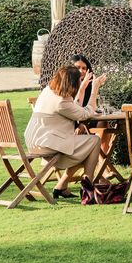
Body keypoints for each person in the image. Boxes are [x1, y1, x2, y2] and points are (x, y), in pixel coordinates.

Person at [24, 65, 107, 199]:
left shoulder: (48, 91)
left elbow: (74, 108)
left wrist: (83, 87)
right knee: (94, 141)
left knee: (85, 149)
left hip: (37, 142)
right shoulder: (61, 102)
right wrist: (94, 88)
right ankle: (88, 186)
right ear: (72, 83)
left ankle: (61, 186)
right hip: (49, 145)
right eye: (79, 81)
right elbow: (86, 114)